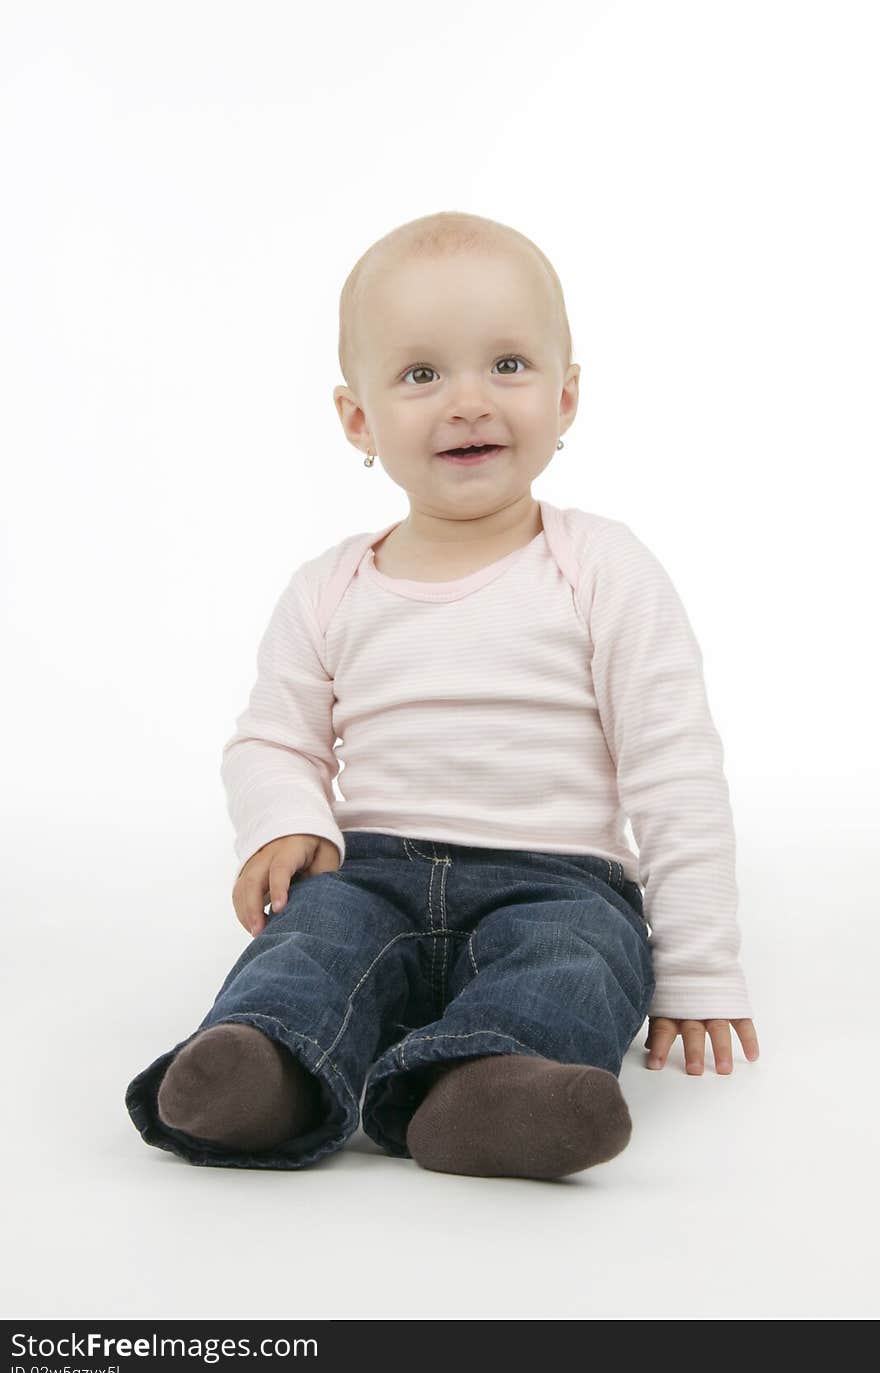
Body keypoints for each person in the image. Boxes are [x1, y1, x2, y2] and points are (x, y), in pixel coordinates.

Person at [125, 210, 760, 1181]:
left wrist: (701, 965)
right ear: (357, 419)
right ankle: (270, 1067)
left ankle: (488, 1087)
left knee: (581, 961)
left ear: (566, 395)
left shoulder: (601, 566)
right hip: (368, 870)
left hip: (556, 878)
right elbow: (273, 739)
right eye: (422, 375)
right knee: (308, 946)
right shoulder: (330, 585)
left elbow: (672, 763)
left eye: (507, 365)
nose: (469, 402)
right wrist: (284, 820)